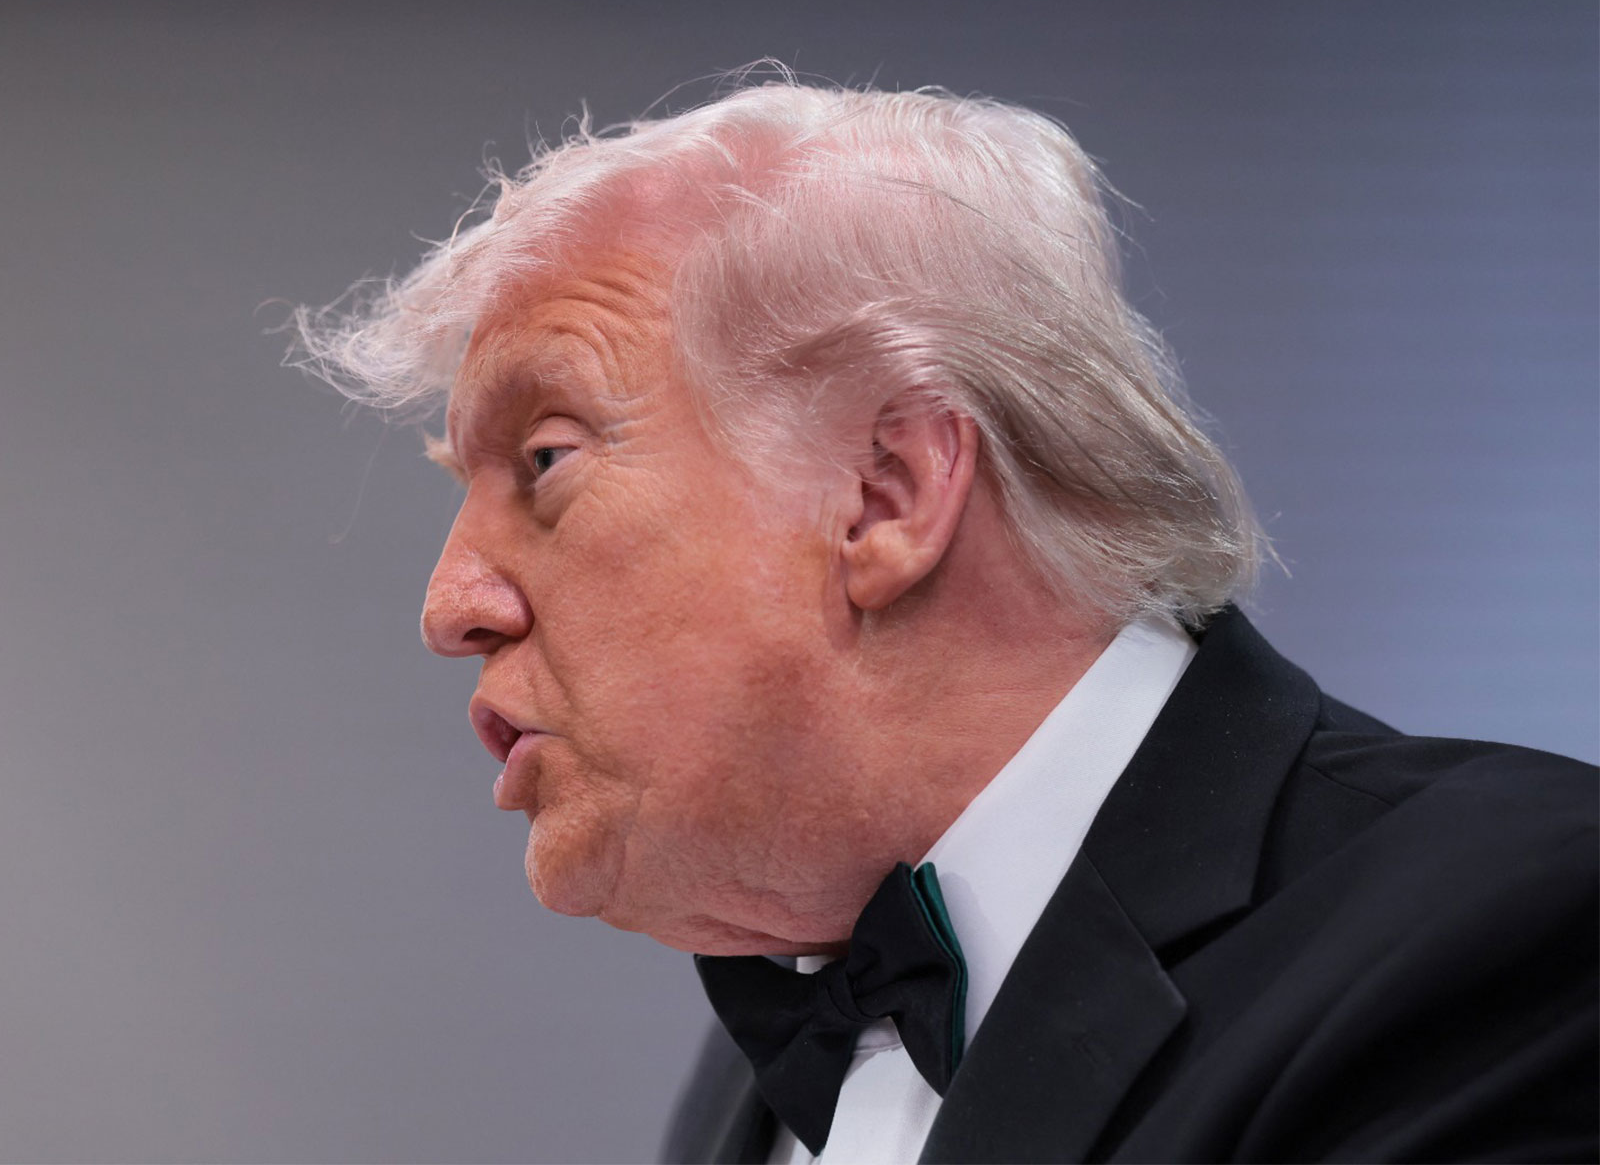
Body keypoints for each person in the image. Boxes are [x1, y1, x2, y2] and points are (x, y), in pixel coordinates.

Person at [293, 77, 1598, 1164]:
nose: (450, 606)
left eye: (545, 462)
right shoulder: (748, 1082)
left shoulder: (1511, 940)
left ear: (887, 495)